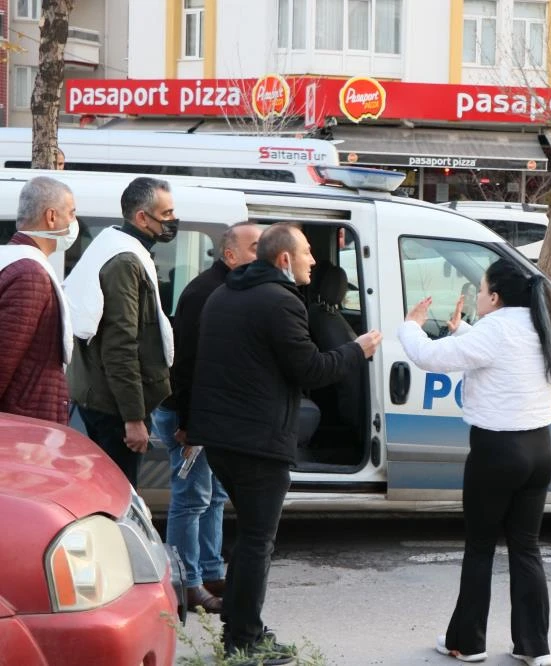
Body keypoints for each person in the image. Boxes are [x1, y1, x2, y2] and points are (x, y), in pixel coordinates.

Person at [186, 223, 382, 663]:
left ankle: (239, 628)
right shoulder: (280, 302)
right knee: (258, 541)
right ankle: (246, 641)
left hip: (221, 439)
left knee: (249, 539)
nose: (315, 260)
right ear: (284, 260)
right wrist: (358, 349)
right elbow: (311, 370)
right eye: (308, 252)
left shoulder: (224, 293)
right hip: (257, 442)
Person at [398, 258, 551, 666]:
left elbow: (428, 357)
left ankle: (468, 642)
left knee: (479, 548)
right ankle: (534, 647)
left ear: (495, 296)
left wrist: (411, 324)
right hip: (539, 450)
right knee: (526, 548)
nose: (476, 295)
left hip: (496, 453)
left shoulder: (495, 329)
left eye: (481, 289)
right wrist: (463, 330)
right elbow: (499, 356)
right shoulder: (541, 325)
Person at [151, 221, 262, 615]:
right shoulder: (205, 293)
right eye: (255, 249)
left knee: (212, 496)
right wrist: (189, 423)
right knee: (191, 499)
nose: (262, 256)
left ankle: (211, 572)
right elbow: (186, 365)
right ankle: (187, 583)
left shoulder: (229, 288)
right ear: (230, 256)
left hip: (207, 414)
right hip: (190, 413)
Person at [64, 177, 177, 486]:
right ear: (142, 217)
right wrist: (133, 419)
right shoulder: (125, 261)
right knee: (118, 498)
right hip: (113, 409)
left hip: (102, 398)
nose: (172, 221)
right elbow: (121, 347)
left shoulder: (116, 246)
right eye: (166, 214)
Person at [0, 177, 77, 424]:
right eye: (71, 213)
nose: (74, 222)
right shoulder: (30, 276)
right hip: (25, 427)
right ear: (51, 216)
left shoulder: (14, 262)